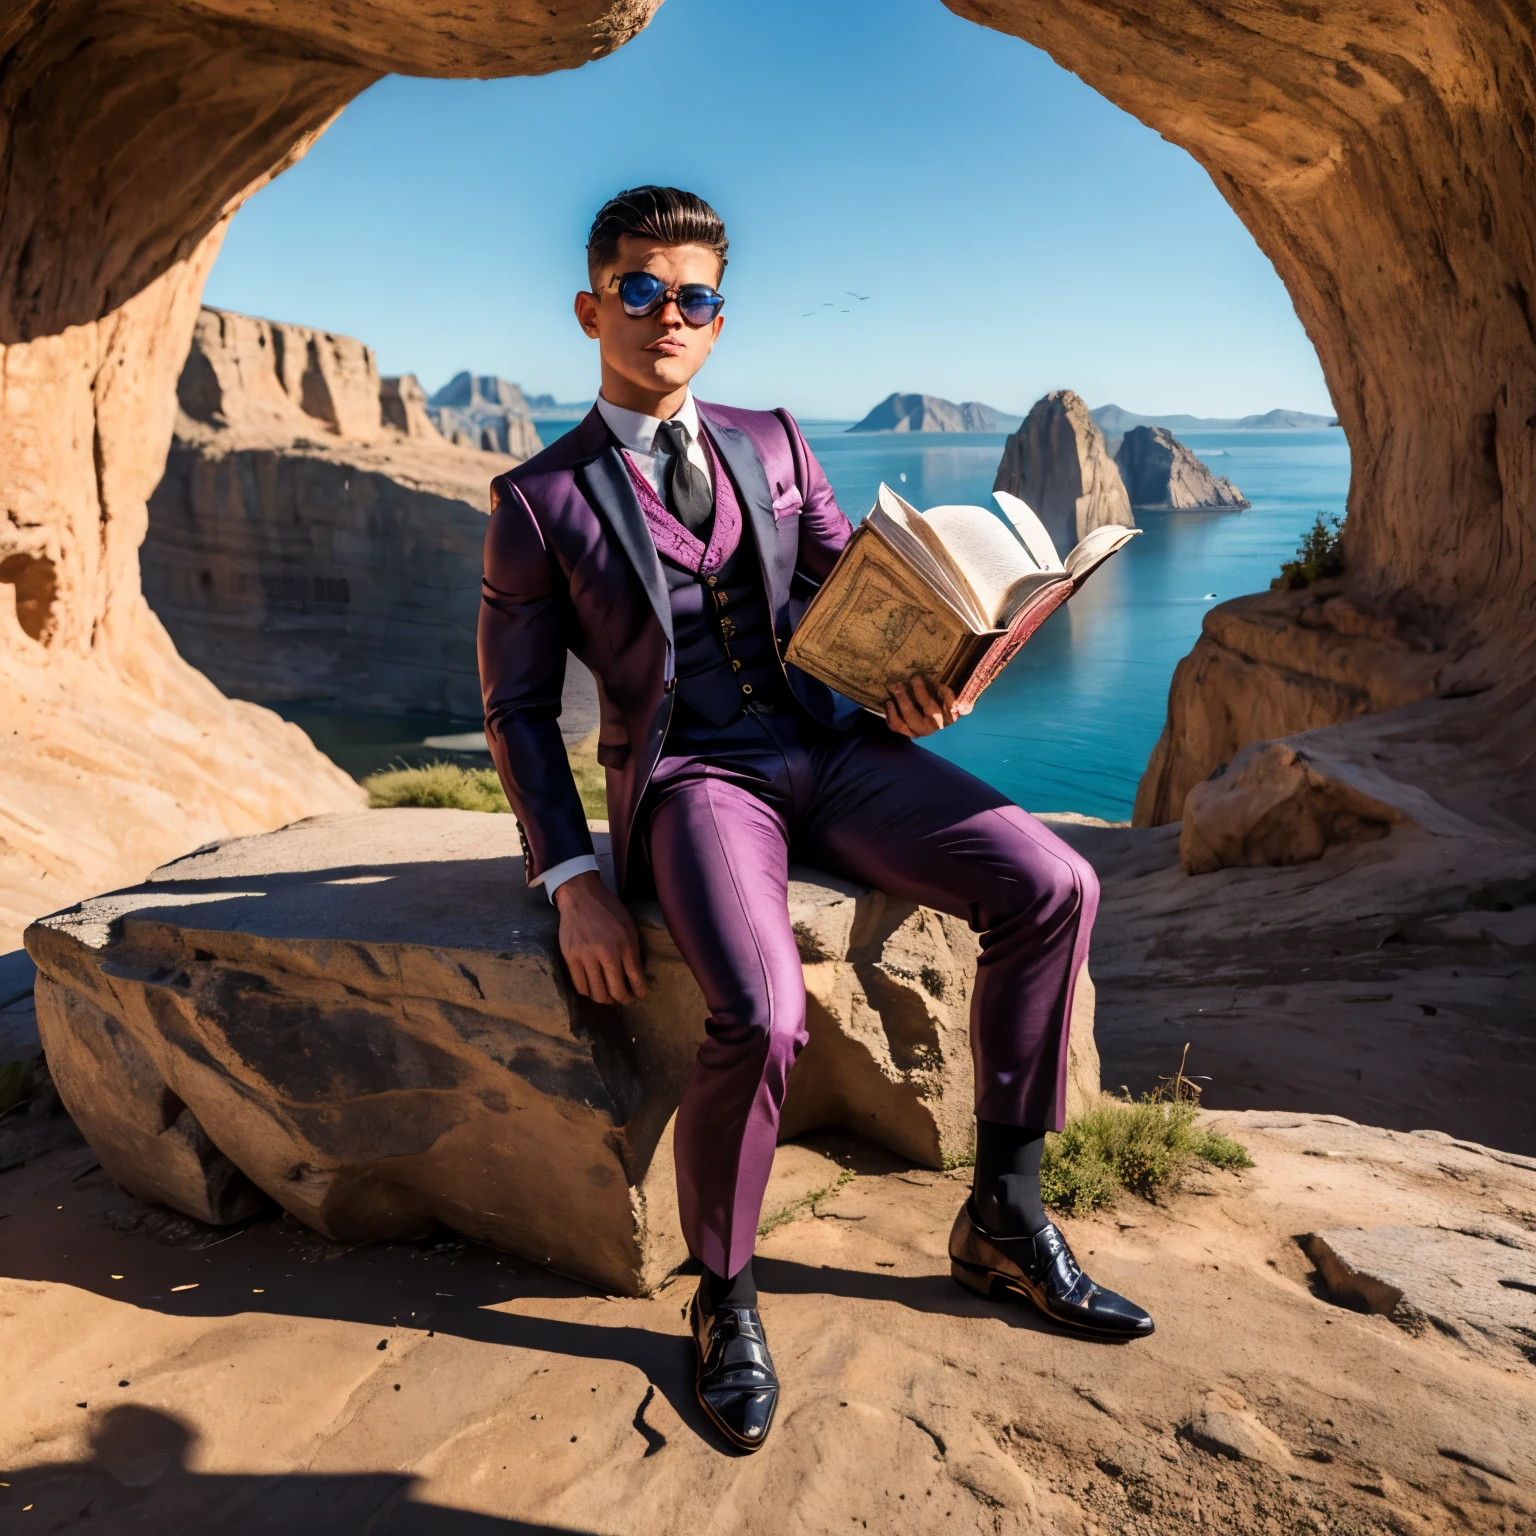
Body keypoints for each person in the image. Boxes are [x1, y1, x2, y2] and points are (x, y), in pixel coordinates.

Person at [478, 185, 1153, 1453]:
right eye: (639, 290)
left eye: (694, 297)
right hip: (696, 784)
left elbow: (853, 591)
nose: (666, 314)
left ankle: (1003, 1216)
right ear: (589, 308)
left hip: (831, 752)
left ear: (718, 321)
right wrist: (568, 875)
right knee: (765, 1011)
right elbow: (515, 712)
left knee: (1055, 885)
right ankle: (724, 1297)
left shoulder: (778, 439)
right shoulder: (538, 499)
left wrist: (932, 672)